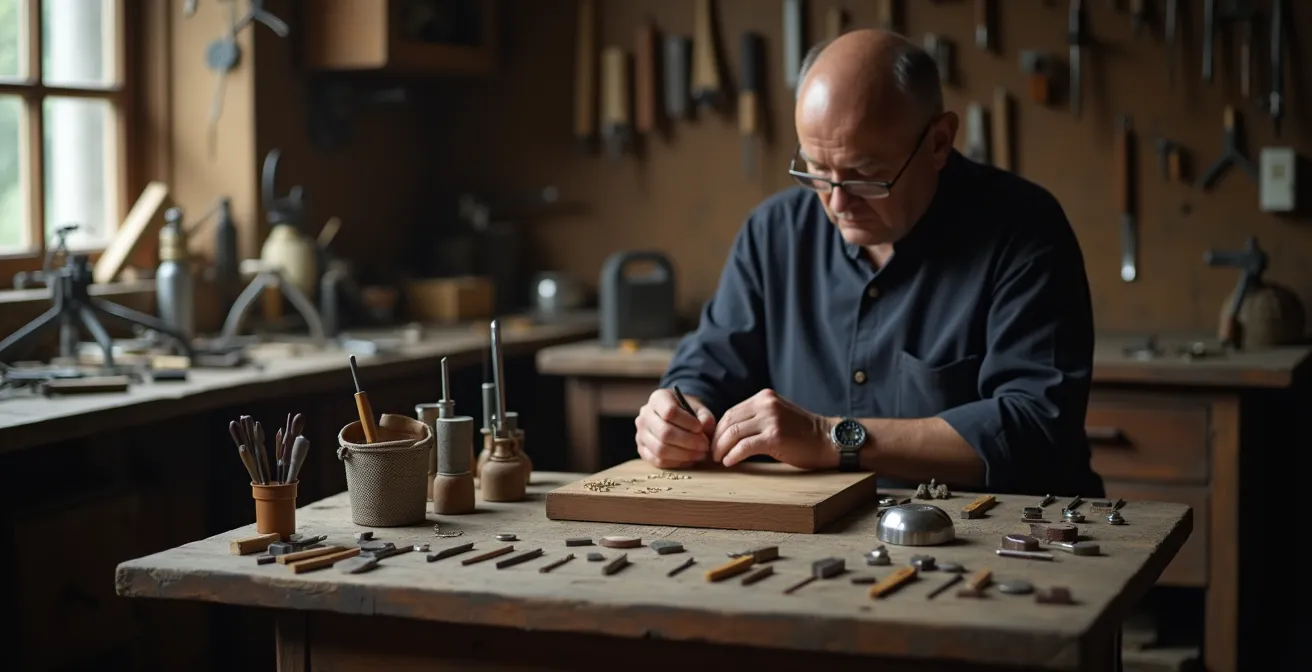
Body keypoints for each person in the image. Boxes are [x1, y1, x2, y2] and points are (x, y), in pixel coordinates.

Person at [634, 29, 1103, 497]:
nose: (837, 202)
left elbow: (1036, 426)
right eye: (817, 170)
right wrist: (676, 413)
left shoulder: (1025, 230)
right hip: (822, 521)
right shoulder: (773, 233)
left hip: (1003, 523)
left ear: (939, 142)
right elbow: (709, 365)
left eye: (866, 176)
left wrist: (829, 437)